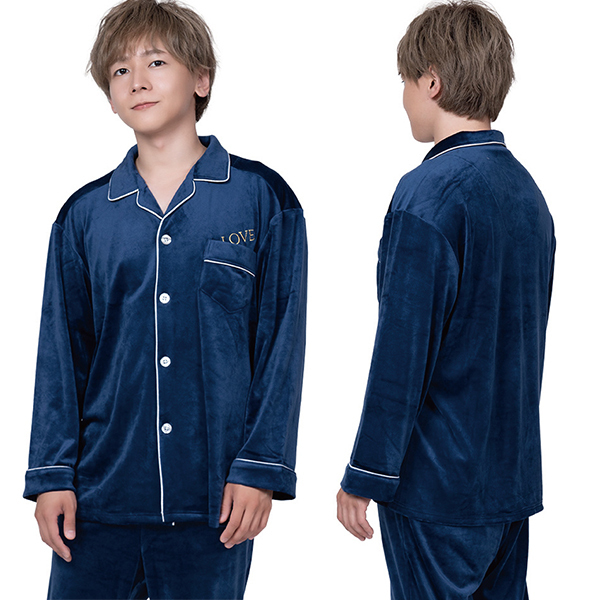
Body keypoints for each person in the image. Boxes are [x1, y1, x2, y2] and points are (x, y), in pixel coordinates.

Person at [23, 0, 307, 598]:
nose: (138, 81)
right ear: (109, 96)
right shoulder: (84, 216)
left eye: (156, 62)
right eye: (120, 70)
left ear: (201, 78)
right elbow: (62, 355)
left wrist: (261, 467)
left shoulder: (261, 198)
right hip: (98, 499)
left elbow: (281, 345)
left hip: (213, 502)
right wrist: (52, 475)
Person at [336, 2, 555, 598]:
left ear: (430, 81)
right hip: (509, 485)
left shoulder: (429, 192)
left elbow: (402, 352)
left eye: (405, 82)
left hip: (436, 489)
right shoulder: (528, 194)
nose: (404, 99)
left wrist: (365, 473)